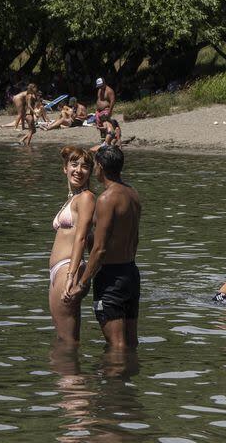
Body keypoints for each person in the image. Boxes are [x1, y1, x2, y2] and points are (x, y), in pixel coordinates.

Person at [64, 146, 142, 349]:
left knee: (116, 344)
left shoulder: (107, 199)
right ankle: (127, 378)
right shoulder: (132, 193)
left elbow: (100, 249)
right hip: (131, 273)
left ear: (99, 166)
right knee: (130, 341)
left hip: (111, 277)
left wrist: (82, 283)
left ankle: (112, 380)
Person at [49, 146, 97, 344]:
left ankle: (71, 375)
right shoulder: (74, 198)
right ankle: (71, 374)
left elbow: (82, 238)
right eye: (74, 164)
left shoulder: (86, 197)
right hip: (61, 271)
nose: (78, 170)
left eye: (85, 166)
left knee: (67, 342)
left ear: (90, 172)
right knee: (64, 339)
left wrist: (72, 275)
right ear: (65, 168)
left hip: (69, 269)